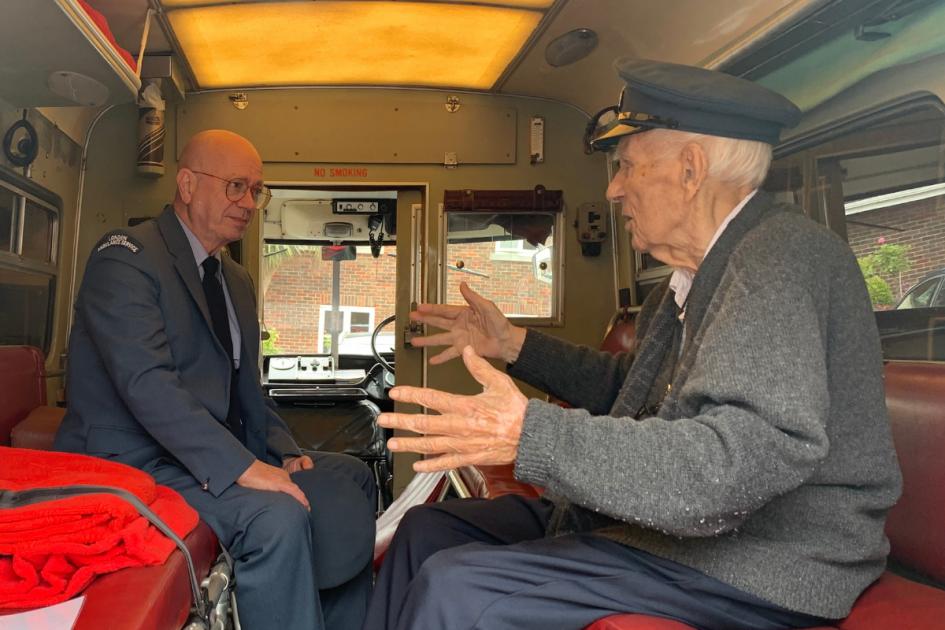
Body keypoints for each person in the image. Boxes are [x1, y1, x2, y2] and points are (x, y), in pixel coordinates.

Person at [364, 59, 902, 630]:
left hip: (768, 554)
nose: (614, 190)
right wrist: (513, 343)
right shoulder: (686, 285)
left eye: (626, 167)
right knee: (429, 530)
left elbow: (734, 464)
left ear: (691, 170)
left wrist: (528, 434)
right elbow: (631, 391)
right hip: (680, 530)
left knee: (461, 588)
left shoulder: (776, 262)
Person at [55, 129, 376, 630]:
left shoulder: (237, 282)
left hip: (205, 453)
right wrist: (244, 468)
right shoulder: (125, 257)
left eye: (256, 190)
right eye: (235, 187)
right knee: (278, 518)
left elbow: (247, 389)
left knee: (352, 477)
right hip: (141, 463)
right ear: (186, 184)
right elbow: (148, 384)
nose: (248, 203)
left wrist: (283, 449)